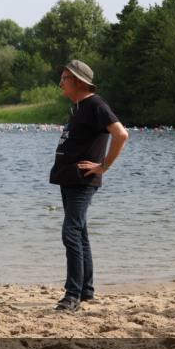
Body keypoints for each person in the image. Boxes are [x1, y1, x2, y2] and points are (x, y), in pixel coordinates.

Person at [49, 60, 129, 312]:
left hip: (81, 179)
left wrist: (104, 166)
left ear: (78, 81)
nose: (60, 82)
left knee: (70, 232)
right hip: (69, 177)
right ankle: (86, 291)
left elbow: (121, 134)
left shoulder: (96, 104)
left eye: (64, 78)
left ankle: (72, 295)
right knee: (80, 232)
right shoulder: (79, 107)